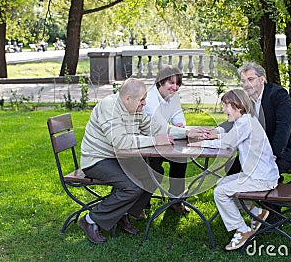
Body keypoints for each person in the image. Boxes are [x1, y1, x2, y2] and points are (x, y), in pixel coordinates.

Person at [79, 78, 203, 244]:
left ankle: (123, 213)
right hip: (97, 159)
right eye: (142, 99)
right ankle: (91, 219)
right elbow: (120, 142)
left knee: (155, 173)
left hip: (119, 158)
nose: (145, 103)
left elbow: (157, 128)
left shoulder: (135, 108)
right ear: (128, 98)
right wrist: (155, 140)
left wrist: (186, 133)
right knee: (132, 186)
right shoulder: (110, 107)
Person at [188, 89, 279, 251]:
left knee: (221, 192)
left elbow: (227, 144)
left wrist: (200, 144)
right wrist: (211, 138)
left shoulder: (245, 123)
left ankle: (242, 230)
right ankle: (256, 212)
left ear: (238, 106)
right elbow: (230, 137)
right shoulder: (246, 121)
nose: (223, 110)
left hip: (261, 179)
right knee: (222, 183)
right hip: (260, 175)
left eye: (226, 105)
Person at [214, 62, 291, 180]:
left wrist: (273, 155)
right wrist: (217, 131)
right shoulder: (248, 99)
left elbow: (284, 128)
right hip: (260, 150)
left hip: (286, 152)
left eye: (250, 79)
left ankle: (269, 194)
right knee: (232, 167)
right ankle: (248, 197)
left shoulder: (278, 94)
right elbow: (236, 119)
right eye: (243, 81)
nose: (246, 84)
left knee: (255, 170)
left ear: (262, 79)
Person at [143, 65, 190, 214]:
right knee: (155, 167)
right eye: (171, 83)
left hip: (164, 141)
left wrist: (180, 127)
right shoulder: (150, 98)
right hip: (146, 144)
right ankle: (142, 205)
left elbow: (179, 119)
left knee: (180, 158)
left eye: (177, 84)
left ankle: (175, 201)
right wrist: (183, 131)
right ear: (160, 82)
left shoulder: (173, 96)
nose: (175, 87)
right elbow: (161, 127)